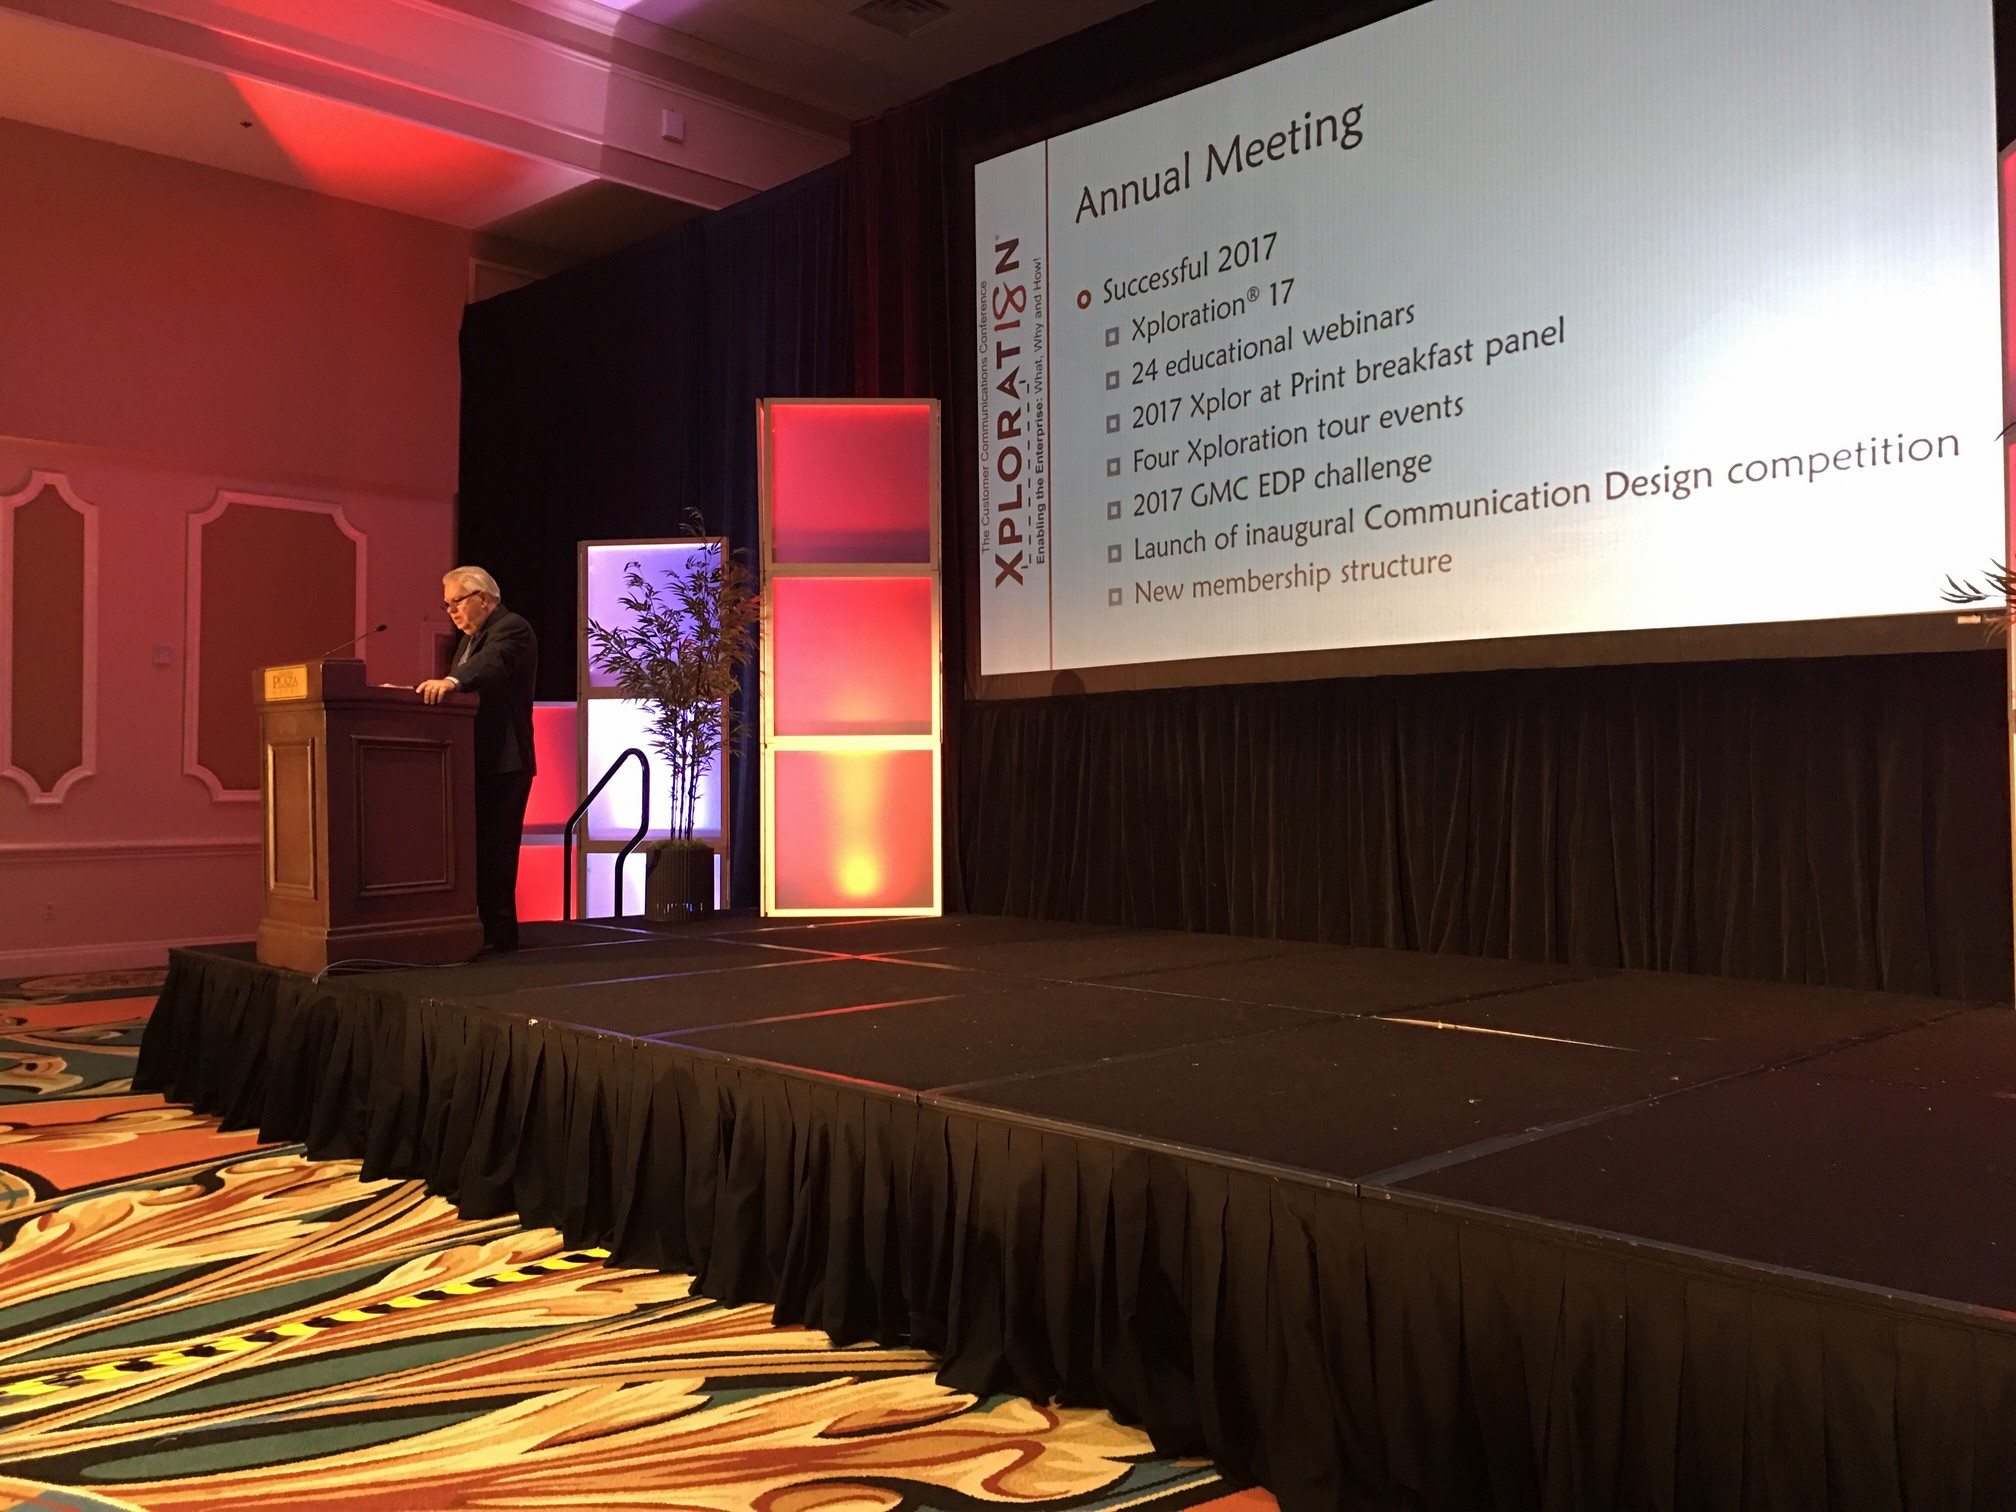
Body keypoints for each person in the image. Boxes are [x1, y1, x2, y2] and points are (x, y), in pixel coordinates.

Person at [417, 567, 537, 953]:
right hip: (474, 758)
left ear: (483, 599)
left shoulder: (512, 628)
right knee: (476, 850)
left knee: (497, 849)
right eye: (446, 605)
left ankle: (500, 933)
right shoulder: (469, 641)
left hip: (505, 761)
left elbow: (492, 663)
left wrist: (452, 681)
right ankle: (477, 928)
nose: (451, 611)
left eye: (457, 602)